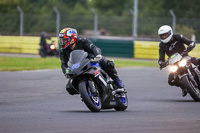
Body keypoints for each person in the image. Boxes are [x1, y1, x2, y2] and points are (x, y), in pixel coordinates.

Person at [58, 28, 125, 95]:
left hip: (91, 60)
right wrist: (66, 72)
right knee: (69, 88)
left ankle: (118, 81)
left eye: (65, 40)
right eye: (62, 40)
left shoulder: (82, 41)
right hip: (77, 67)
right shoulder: (63, 51)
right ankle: (86, 92)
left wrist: (98, 55)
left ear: (72, 38)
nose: (63, 42)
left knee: (107, 63)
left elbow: (94, 48)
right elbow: (64, 64)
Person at [158, 25, 200, 97]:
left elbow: (190, 42)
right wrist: (161, 63)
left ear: (170, 33)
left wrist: (190, 45)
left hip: (185, 57)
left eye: (165, 35)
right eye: (162, 36)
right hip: (174, 64)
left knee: (198, 61)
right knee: (171, 80)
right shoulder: (161, 45)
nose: (164, 37)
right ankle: (184, 87)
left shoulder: (177, 37)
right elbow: (161, 58)